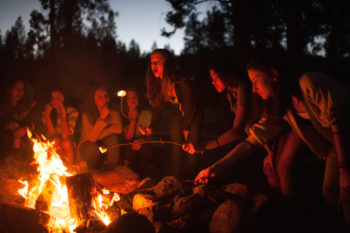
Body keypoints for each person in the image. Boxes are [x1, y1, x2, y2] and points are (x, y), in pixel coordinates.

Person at [245, 54, 350, 228]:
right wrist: (213, 169)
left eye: (255, 80)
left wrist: (344, 172)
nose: (253, 88)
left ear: (274, 74)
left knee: (345, 189)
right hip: (338, 146)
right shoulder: (285, 107)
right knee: (331, 191)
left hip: (345, 139)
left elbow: (336, 123)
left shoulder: (307, 83)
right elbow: (254, 139)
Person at [143, 48, 202, 178]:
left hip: (193, 115)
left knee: (191, 147)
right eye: (152, 62)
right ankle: (176, 178)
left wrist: (186, 128)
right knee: (176, 147)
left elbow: (190, 106)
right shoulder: (158, 83)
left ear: (167, 63)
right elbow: (158, 109)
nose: (154, 65)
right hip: (176, 116)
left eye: (158, 61)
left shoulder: (182, 81)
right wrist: (152, 126)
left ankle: (192, 179)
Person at [182, 55, 256, 155]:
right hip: (258, 138)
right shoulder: (230, 93)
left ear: (226, 74)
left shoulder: (243, 88)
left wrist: (204, 146)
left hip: (266, 137)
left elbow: (237, 131)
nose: (212, 83)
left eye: (215, 78)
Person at [77, 86, 123, 171]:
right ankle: (93, 171)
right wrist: (102, 118)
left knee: (112, 138)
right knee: (92, 147)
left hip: (104, 143)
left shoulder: (113, 112)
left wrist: (101, 134)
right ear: (93, 100)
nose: (104, 99)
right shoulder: (86, 114)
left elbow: (119, 129)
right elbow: (91, 138)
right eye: (100, 97)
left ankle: (112, 168)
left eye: (106, 96)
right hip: (88, 145)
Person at [0, 79, 38, 161]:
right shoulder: (2, 106)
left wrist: (25, 129)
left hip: (23, 138)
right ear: (10, 90)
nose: (20, 92)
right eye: (17, 88)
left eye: (22, 89)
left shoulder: (27, 106)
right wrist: (8, 125)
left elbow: (33, 124)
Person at [41, 88, 79, 165]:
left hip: (69, 142)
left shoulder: (72, 111)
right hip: (54, 142)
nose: (55, 101)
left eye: (58, 98)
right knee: (55, 141)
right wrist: (47, 116)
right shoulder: (47, 112)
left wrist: (63, 114)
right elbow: (52, 135)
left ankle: (71, 169)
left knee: (66, 142)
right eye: (53, 98)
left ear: (64, 98)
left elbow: (66, 135)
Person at [121, 88, 154, 177]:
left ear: (139, 99)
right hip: (129, 143)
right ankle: (126, 176)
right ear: (126, 101)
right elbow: (128, 137)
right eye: (129, 98)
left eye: (134, 98)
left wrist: (141, 141)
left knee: (146, 149)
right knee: (129, 150)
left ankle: (149, 178)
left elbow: (150, 136)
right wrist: (133, 120)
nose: (132, 101)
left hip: (144, 142)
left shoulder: (146, 113)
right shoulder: (123, 115)